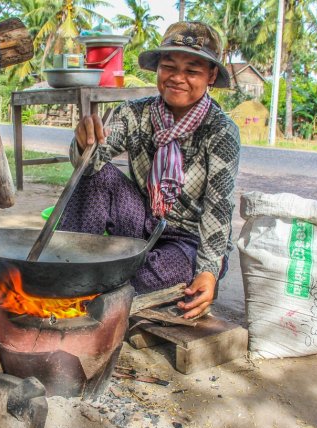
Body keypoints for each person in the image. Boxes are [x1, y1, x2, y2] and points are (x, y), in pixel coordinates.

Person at [59, 21, 240, 319]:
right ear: (157, 69)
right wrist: (84, 143)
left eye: (192, 71)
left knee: (144, 279)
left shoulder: (221, 131)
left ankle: (95, 283)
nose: (177, 78)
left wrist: (208, 271)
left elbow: (218, 210)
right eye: (169, 66)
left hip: (188, 242)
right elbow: (90, 162)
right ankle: (68, 263)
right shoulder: (134, 113)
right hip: (143, 222)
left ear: (210, 76)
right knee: (96, 173)